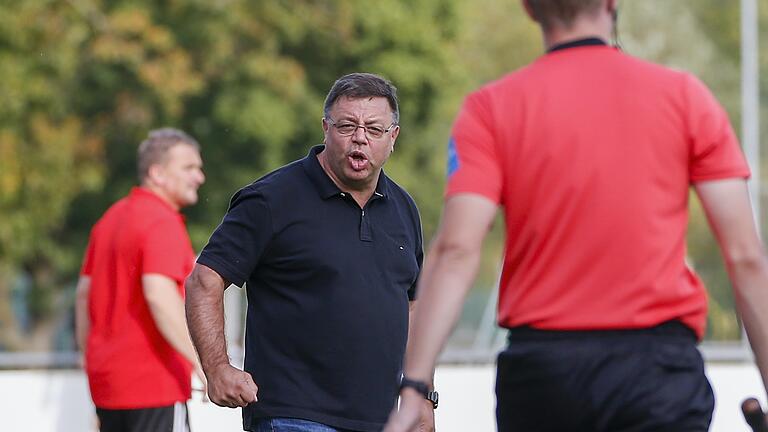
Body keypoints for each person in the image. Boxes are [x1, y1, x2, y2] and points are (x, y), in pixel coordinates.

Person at [384, 1, 768, 431]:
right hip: (656, 372)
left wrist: (415, 386)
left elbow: (456, 250)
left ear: (530, 9)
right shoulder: (684, 96)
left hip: (546, 376)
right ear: (612, 3)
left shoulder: (491, 109)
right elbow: (745, 257)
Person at [184, 73, 435, 432]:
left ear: (393, 137)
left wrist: (422, 394)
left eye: (374, 129)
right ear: (325, 128)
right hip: (293, 415)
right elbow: (204, 280)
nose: (360, 138)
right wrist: (218, 368)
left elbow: (414, 308)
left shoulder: (403, 209)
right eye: (347, 126)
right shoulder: (271, 199)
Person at [75, 128, 207, 432]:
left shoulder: (110, 218)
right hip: (155, 383)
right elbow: (159, 295)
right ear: (157, 173)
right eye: (189, 168)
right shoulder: (162, 220)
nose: (199, 177)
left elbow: (84, 295)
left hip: (108, 386)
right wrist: (202, 363)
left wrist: (91, 360)